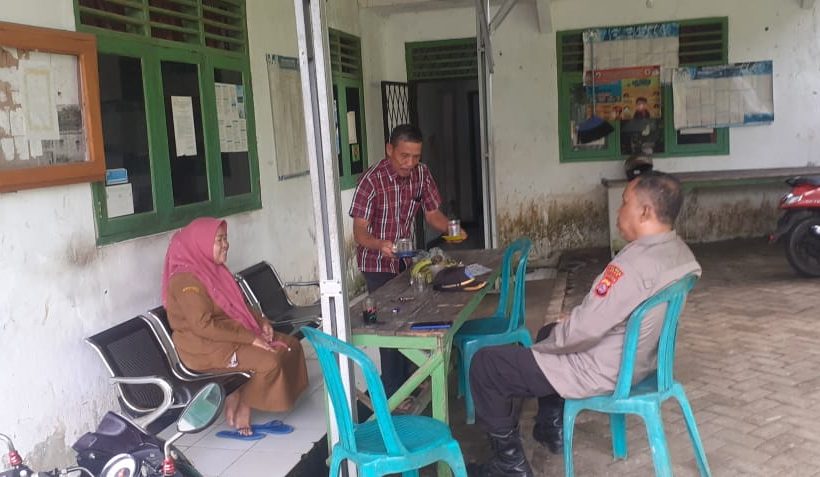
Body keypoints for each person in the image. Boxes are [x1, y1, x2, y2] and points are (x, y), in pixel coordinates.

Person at [466, 171, 701, 477]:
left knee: (487, 364)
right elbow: (595, 319)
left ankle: (509, 465)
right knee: (549, 331)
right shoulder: (679, 252)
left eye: (624, 203)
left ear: (645, 211)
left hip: (602, 368)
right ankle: (550, 427)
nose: (619, 211)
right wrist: (561, 331)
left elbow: (583, 332)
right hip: (640, 363)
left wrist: (543, 348)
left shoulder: (632, 266)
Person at [162, 217, 308, 438]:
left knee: (291, 345)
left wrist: (261, 322)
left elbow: (238, 305)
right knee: (269, 360)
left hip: (230, 336)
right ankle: (243, 406)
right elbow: (203, 326)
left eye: (225, 238)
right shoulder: (186, 280)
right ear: (201, 244)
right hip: (205, 348)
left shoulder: (213, 270)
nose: (226, 245)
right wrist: (251, 338)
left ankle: (239, 393)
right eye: (219, 240)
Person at [349, 123, 466, 398]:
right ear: (389, 149)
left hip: (404, 261)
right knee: (388, 327)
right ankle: (394, 394)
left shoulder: (421, 174)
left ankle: (410, 381)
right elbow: (360, 232)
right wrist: (381, 244)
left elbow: (432, 213)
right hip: (376, 263)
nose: (410, 163)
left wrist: (451, 229)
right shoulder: (371, 181)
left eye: (415, 157)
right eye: (404, 156)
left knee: (410, 320)